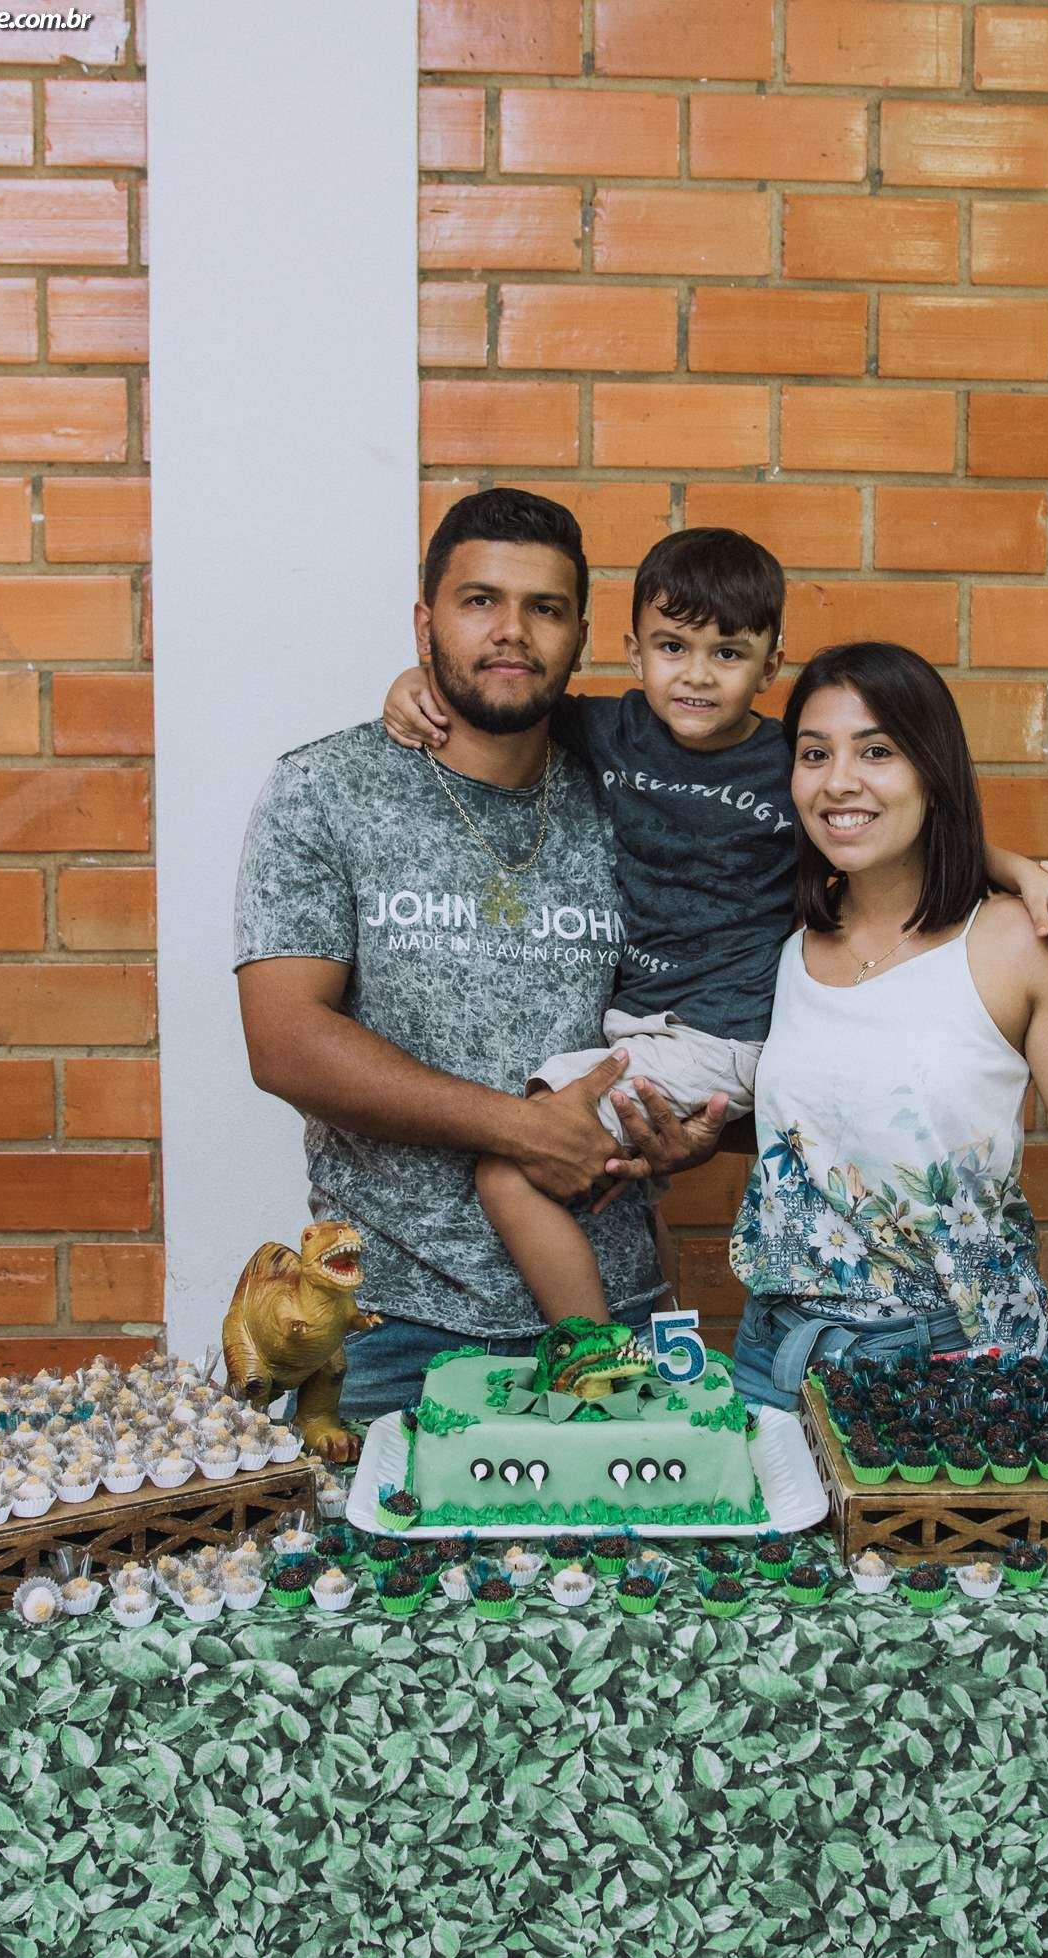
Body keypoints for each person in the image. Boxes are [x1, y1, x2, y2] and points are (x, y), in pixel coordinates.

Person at [384, 530, 1048, 1327]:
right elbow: (501, 700)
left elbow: (900, 827)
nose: (697, 675)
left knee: (511, 1166)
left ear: (770, 666)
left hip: (720, 1031)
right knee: (606, 1176)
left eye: (728, 654)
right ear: (634, 652)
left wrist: (1016, 871)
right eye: (673, 647)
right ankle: (656, 1329)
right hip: (644, 1023)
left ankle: (594, 1354)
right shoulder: (611, 730)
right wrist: (412, 683)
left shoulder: (790, 763)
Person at [232, 488, 723, 1436]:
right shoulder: (325, 790)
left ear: (582, 638)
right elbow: (284, 1041)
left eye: (546, 608)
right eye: (480, 601)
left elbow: (719, 997)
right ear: (425, 624)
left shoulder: (640, 797)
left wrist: (685, 1130)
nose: (512, 631)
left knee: (635, 1532)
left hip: (614, 1314)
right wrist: (521, 1130)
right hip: (387, 1329)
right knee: (371, 1539)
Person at [727, 640, 1048, 1409]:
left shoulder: (1013, 942)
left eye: (877, 751)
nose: (839, 780)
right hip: (777, 1358)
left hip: (961, 1368)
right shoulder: (784, 936)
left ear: (931, 770)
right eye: (814, 753)